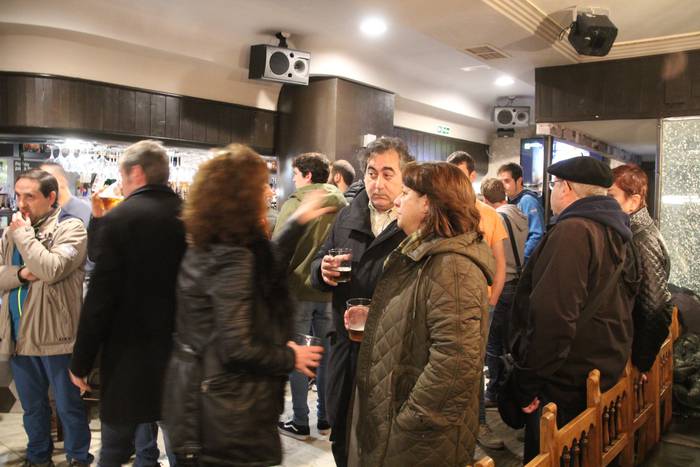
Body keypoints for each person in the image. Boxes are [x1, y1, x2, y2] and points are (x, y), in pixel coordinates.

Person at [161, 144, 326, 466]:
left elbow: (264, 268)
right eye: (262, 185)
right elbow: (237, 347)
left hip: (205, 405)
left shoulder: (211, 244)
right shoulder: (232, 256)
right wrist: (291, 356)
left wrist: (297, 223)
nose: (269, 191)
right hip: (225, 416)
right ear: (243, 196)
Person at [349, 161, 494, 467]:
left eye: (405, 193)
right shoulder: (424, 252)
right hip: (399, 424)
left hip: (420, 438)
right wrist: (378, 314)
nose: (397, 201)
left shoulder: (453, 266)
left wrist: (411, 420)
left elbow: (456, 363)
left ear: (427, 204)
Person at [509, 157, 638, 463]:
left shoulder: (573, 231)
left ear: (565, 187)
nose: (552, 192)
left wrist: (526, 384)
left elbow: (553, 320)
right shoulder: (619, 230)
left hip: (564, 384)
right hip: (602, 369)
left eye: (554, 185)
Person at [69, 140, 187, 467]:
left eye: (122, 176)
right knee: (181, 447)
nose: (121, 183)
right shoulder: (191, 216)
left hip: (128, 354)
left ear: (136, 173)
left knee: (115, 449)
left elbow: (100, 299)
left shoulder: (121, 218)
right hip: (181, 353)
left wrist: (81, 361)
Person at [310, 137, 413, 467]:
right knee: (342, 432)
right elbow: (319, 263)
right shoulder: (346, 216)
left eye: (387, 174)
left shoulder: (413, 223)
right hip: (346, 347)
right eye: (371, 173)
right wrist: (321, 270)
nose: (377, 183)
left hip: (392, 354)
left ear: (405, 177)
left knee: (381, 441)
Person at [0, 169, 92, 467]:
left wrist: (24, 237)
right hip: (18, 334)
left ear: (51, 197)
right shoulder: (12, 231)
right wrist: (21, 274)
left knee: (68, 406)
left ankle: (78, 457)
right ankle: (38, 457)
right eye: (18, 195)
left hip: (56, 335)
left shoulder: (71, 227)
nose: (21, 203)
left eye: (29, 196)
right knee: (32, 407)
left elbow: (51, 269)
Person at [274, 153, 347, 439]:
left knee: (300, 357)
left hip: (297, 291)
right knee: (326, 357)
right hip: (329, 292)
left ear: (306, 175)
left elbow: (278, 249)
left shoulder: (295, 204)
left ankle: (300, 420)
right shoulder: (342, 204)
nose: (293, 180)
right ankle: (326, 417)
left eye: (295, 174)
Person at [447, 151, 506, 449]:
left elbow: (501, 263)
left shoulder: (489, 214)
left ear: (472, 176)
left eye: (460, 174)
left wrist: (492, 300)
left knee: (474, 366)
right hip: (447, 304)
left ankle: (479, 424)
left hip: (481, 304)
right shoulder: (442, 211)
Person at [609, 164, 673, 372]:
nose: (605, 202)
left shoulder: (639, 238)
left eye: (611, 196)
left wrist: (640, 362)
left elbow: (654, 307)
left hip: (632, 357)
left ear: (634, 201)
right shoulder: (636, 230)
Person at [480, 177, 527, 405]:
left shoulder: (496, 218)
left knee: (493, 343)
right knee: (509, 340)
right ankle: (507, 386)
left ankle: (494, 392)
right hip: (517, 281)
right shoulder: (520, 214)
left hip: (502, 283)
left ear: (485, 199)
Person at [497, 162, 545, 262]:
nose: (503, 186)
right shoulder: (509, 202)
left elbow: (537, 234)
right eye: (500, 182)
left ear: (519, 181)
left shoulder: (527, 201)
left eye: (507, 181)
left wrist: (521, 258)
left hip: (524, 263)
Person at [39, 162, 91, 227]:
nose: (41, 185)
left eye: (47, 180)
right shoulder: (46, 209)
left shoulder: (83, 210)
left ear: (62, 181)